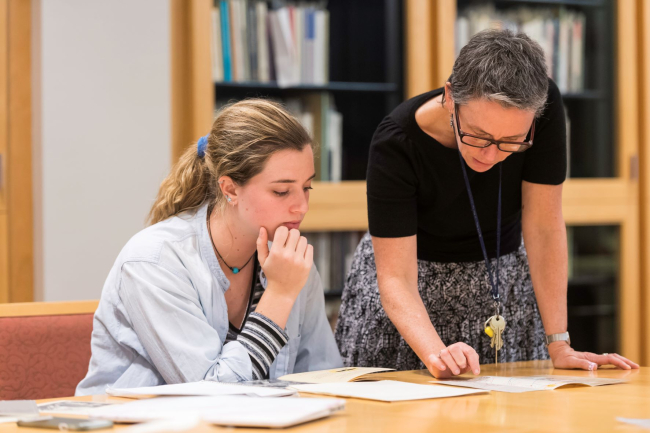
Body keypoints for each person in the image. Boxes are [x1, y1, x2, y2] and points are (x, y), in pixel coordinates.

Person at [335, 29, 638, 378]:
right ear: (450, 97)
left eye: (511, 141)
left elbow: (542, 225)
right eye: (478, 136)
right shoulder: (396, 143)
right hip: (412, 299)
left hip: (503, 282)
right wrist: (436, 354)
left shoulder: (543, 108)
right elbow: (396, 278)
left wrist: (560, 343)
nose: (491, 155)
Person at [77, 99, 341, 395]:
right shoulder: (154, 260)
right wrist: (279, 294)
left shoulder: (289, 261)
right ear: (229, 189)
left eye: (307, 187)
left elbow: (322, 378)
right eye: (281, 191)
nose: (302, 206)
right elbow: (210, 394)